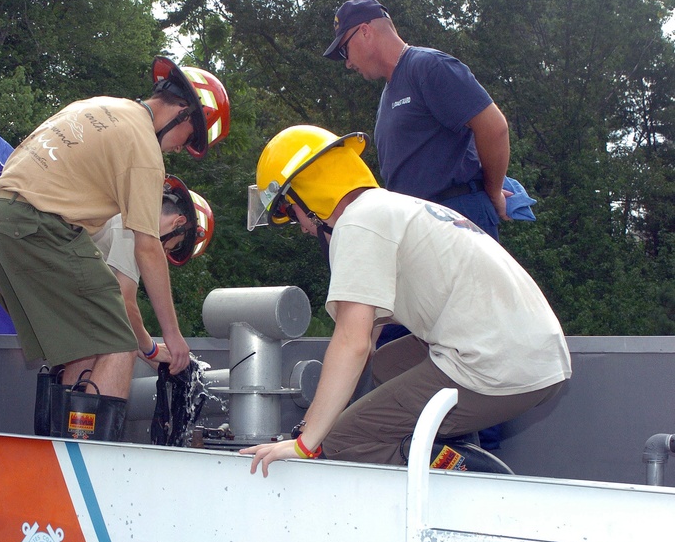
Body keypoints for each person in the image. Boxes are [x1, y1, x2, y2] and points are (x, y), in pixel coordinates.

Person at [242, 125, 571, 476]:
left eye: (292, 213)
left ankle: (471, 475)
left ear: (309, 194)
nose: (303, 228)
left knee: (344, 443)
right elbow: (366, 346)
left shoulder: (358, 225)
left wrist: (306, 443)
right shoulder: (390, 208)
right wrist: (314, 420)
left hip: (496, 363)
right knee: (389, 364)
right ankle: (451, 446)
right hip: (532, 351)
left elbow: (350, 343)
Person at [0, 57, 230, 439]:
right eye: (190, 139)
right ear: (184, 113)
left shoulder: (100, 107)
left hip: (2, 220)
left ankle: (60, 453)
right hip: (39, 227)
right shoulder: (144, 148)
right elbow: (148, 250)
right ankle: (93, 469)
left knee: (83, 349)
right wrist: (173, 337)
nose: (181, 149)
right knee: (120, 340)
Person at [323, 0, 510, 242]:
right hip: (420, 225)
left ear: (365, 32)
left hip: (456, 219)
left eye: (344, 50)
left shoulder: (428, 66)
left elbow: (495, 128)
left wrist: (493, 191)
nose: (347, 63)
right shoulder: (389, 93)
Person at [91, 175, 215, 367]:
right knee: (114, 349)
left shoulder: (126, 212)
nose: (165, 253)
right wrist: (151, 349)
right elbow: (126, 304)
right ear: (178, 223)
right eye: (175, 246)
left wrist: (151, 356)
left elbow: (116, 314)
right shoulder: (131, 231)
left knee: (90, 350)